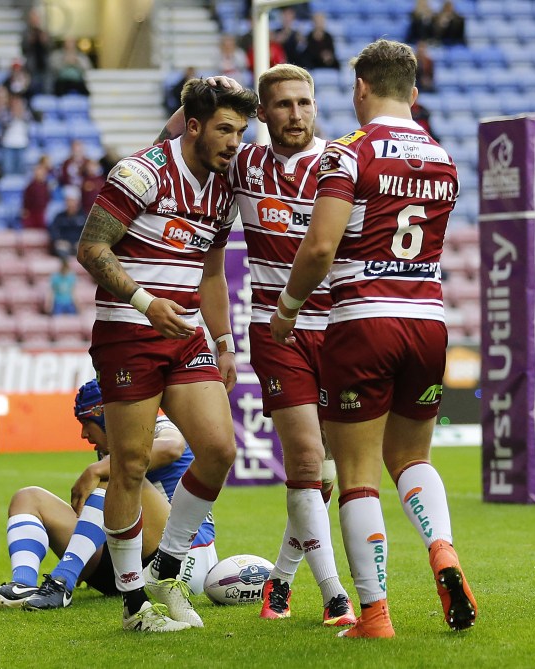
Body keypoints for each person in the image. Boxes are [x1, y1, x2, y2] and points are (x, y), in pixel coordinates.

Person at [269, 38, 477, 639]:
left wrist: (287, 310)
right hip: (429, 320)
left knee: (357, 475)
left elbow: (320, 247)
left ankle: (375, 614)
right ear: (413, 92)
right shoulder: (440, 156)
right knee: (412, 458)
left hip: (363, 318)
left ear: (360, 89)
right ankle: (442, 548)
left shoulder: (347, 154)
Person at [155, 63, 357, 628]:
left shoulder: (341, 164)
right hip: (278, 330)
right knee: (305, 459)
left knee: (326, 475)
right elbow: (172, 139)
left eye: (305, 103)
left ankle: (282, 580)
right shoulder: (242, 163)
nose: (296, 114)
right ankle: (336, 593)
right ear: (262, 114)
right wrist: (217, 89)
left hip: (340, 329)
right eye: (283, 105)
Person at [75, 78, 257, 632]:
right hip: (130, 329)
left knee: (220, 449)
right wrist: (144, 301)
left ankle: (169, 572)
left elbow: (210, 271)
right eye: (225, 129)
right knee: (129, 465)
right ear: (193, 126)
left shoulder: (224, 188)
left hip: (186, 332)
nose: (234, 142)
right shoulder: (142, 173)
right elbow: (90, 247)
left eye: (241, 131)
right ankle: (134, 604)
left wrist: (225, 344)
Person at [0, 379, 217, 611]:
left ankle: (63, 581)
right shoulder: (109, 454)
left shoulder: (158, 426)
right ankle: (23, 585)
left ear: (108, 418)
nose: (84, 434)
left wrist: (97, 468)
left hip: (182, 559)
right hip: (122, 563)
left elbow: (172, 447)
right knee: (27, 497)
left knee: (119, 475)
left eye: (87, 424)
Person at [49, 185, 87, 259]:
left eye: (72, 201)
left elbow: (89, 233)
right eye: (68, 201)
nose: (70, 203)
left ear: (77, 202)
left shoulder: (84, 217)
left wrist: (81, 242)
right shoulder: (59, 216)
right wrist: (59, 240)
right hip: (64, 244)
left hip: (77, 245)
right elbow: (53, 231)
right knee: (61, 249)